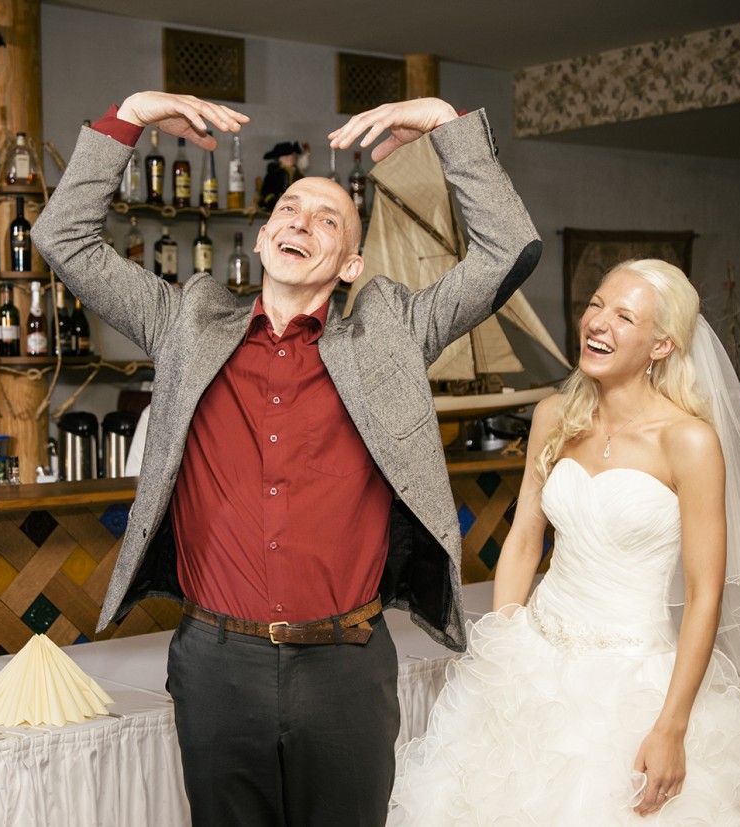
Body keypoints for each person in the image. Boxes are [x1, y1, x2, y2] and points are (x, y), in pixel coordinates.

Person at [33, 91, 541, 826]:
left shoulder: (392, 332)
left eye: (328, 218)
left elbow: (507, 250)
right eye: (289, 210)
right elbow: (65, 239)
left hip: (346, 667)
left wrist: (444, 123)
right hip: (215, 666)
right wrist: (130, 115)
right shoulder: (186, 321)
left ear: (351, 264)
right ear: (263, 238)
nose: (301, 221)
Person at [388, 259, 740, 825]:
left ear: (661, 345)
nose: (598, 322)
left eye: (624, 316)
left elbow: (704, 593)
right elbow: (524, 540)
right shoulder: (554, 416)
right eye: (597, 305)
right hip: (533, 660)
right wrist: (503, 650)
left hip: (633, 681)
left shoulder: (689, 442)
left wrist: (671, 727)